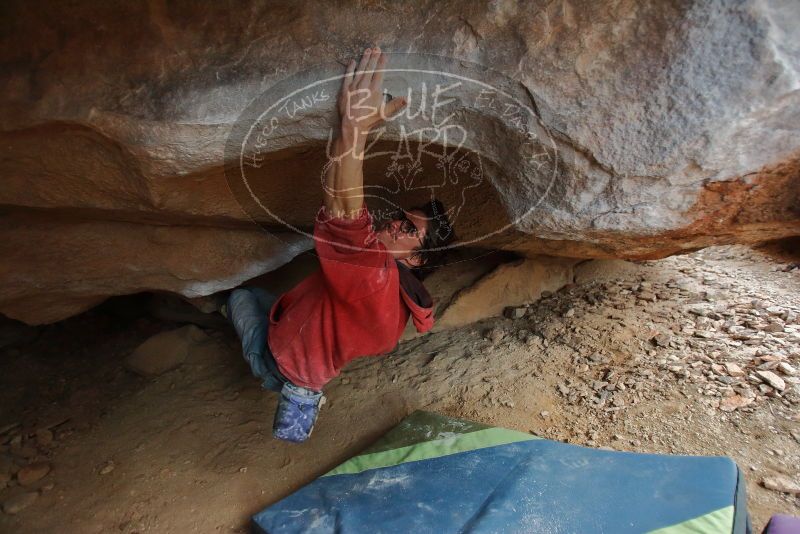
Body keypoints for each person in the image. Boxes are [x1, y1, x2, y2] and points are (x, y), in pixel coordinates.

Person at [226, 46, 455, 443]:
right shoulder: (401, 292)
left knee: (242, 299)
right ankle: (303, 395)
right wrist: (345, 132)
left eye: (407, 228)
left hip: (283, 360)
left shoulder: (374, 278)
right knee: (269, 302)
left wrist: (355, 128)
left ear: (415, 257)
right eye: (401, 216)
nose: (394, 223)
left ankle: (285, 385)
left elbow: (347, 213)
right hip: (309, 345)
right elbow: (336, 199)